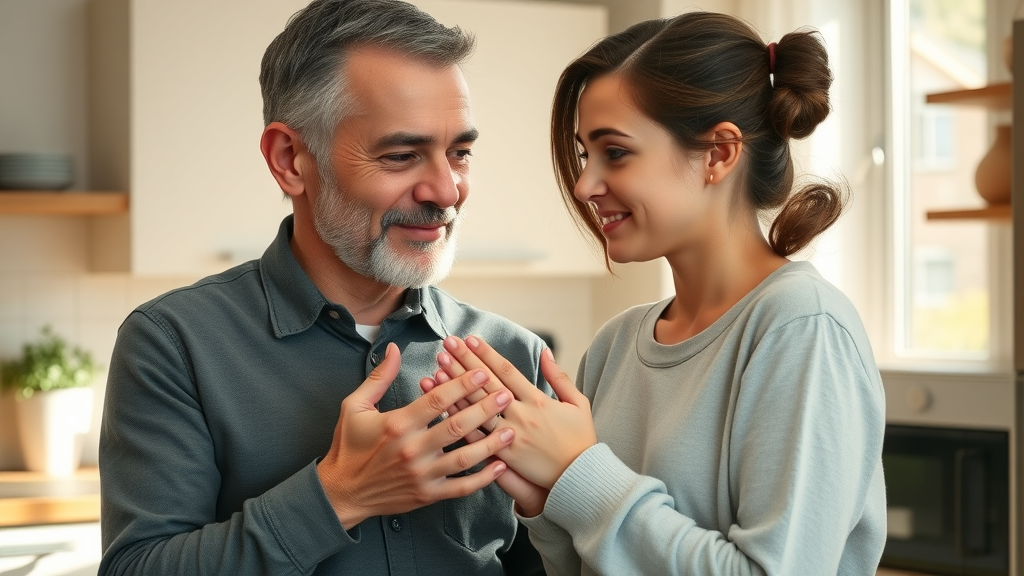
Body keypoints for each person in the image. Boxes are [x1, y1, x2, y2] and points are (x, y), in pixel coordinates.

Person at [424, 11, 887, 576]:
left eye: (614, 152)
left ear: (718, 154)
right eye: (584, 154)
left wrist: (579, 473)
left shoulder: (801, 327)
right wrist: (546, 500)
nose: (584, 184)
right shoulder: (616, 347)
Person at [97, 1, 551, 574]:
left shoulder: (514, 359)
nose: (446, 189)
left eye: (459, 153)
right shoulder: (173, 344)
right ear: (290, 160)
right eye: (402, 155)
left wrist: (574, 501)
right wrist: (340, 495)